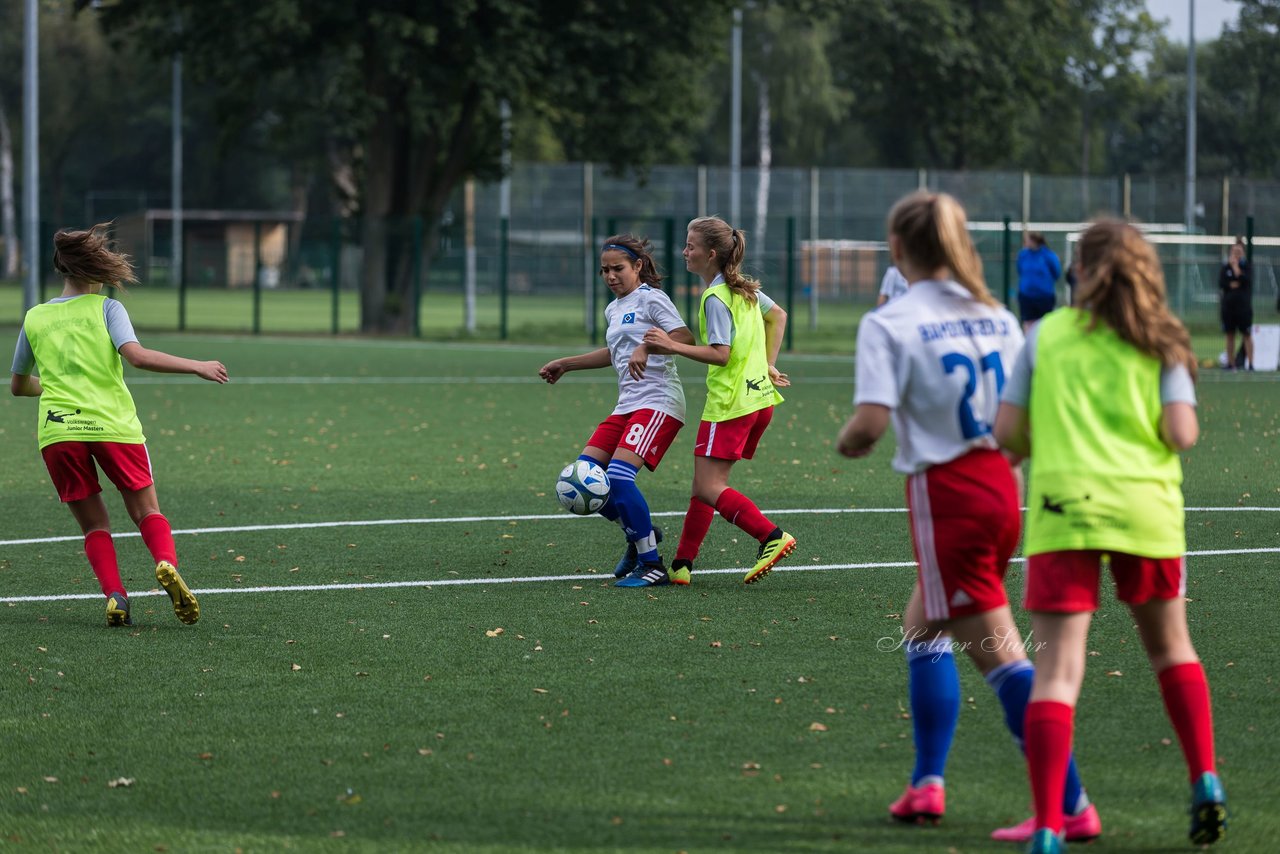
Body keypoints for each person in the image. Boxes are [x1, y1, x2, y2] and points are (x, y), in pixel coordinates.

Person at [835, 192, 1099, 844]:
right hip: (1003, 487)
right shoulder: (997, 314)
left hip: (947, 494)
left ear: (898, 249)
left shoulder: (890, 321)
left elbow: (870, 419)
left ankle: (1071, 802)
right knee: (923, 624)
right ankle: (927, 783)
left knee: (1000, 653)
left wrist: (850, 440)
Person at [994, 220, 1226, 854]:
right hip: (1144, 511)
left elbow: (1008, 432)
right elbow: (1181, 432)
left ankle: (1047, 825)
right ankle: (1205, 779)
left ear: (1081, 271)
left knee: (1058, 672)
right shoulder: (1165, 341)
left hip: (1064, 508)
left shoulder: (1045, 335)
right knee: (1172, 649)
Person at [9, 224, 228, 627]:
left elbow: (18, 386)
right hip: (113, 426)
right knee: (146, 512)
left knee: (94, 524)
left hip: (59, 433)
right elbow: (137, 357)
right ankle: (164, 563)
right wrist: (197, 365)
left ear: (62, 270)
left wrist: (58, 387)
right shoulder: (107, 308)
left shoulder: (35, 317)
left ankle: (115, 597)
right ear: (96, 269)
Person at [642, 215, 795, 586]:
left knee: (710, 487)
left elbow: (721, 354)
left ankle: (771, 537)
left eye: (690, 246)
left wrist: (671, 345)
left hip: (731, 405)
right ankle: (681, 565)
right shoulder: (742, 289)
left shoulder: (715, 296)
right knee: (704, 485)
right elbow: (778, 316)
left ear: (710, 254)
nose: (684, 252)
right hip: (758, 400)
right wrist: (767, 365)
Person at [539, 234, 693, 588]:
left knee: (621, 478)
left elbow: (684, 338)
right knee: (580, 477)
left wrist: (647, 347)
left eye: (618, 269)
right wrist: (568, 363)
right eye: (604, 270)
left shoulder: (652, 299)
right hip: (626, 406)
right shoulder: (614, 308)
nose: (610, 276)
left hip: (658, 402)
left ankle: (653, 565)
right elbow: (615, 353)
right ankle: (641, 533)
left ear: (638, 267)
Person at [1218, 238, 1253, 370]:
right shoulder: (1225, 267)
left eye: (1239, 251)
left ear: (1243, 252)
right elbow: (1223, 283)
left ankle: (1250, 364)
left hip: (1243, 308)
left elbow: (1245, 281)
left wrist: (1236, 268)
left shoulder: (1246, 266)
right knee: (1230, 335)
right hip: (1228, 308)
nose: (1236, 254)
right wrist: (1232, 283)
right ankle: (1230, 363)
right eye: (1234, 251)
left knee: (1247, 335)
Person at [1017, 231, 1062, 331]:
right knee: (1028, 323)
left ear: (1034, 240)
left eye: (1027, 239)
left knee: (1045, 323)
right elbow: (1020, 270)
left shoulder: (1048, 256)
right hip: (1026, 296)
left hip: (1044, 297)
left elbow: (1056, 272)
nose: (1026, 242)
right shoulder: (1023, 255)